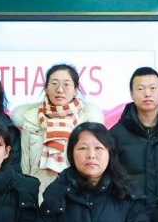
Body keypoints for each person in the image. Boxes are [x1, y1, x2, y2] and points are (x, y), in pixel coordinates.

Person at [13, 63, 103, 200]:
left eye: (66, 84)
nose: (60, 89)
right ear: (46, 88)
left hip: (77, 196)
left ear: (75, 90)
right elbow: (25, 166)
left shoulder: (87, 122)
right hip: (38, 196)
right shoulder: (30, 119)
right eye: (54, 83)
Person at [109, 66, 158, 206]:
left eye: (153, 88)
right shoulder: (115, 134)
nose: (147, 94)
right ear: (131, 94)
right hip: (129, 210)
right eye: (140, 89)